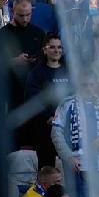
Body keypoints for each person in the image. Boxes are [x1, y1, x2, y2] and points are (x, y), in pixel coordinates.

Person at [51, 74, 99, 197]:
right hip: (77, 166)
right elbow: (56, 133)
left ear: (96, 86)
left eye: (91, 85)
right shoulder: (67, 103)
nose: (88, 88)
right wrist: (68, 156)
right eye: (84, 85)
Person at [24, 34, 72, 168]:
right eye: (52, 47)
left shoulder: (68, 72)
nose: (57, 50)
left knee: (71, 165)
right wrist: (49, 116)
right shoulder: (36, 73)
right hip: (45, 128)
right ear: (44, 50)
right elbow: (33, 99)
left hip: (68, 126)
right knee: (46, 167)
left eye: (59, 47)